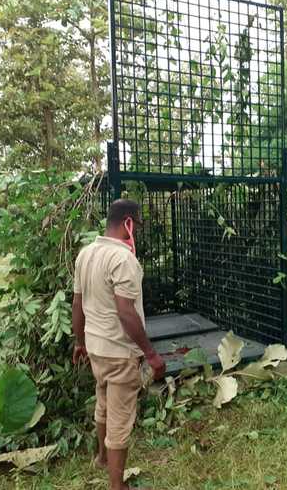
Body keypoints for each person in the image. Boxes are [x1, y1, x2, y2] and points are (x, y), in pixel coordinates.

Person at [72, 199, 166, 490]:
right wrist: (151, 355)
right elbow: (126, 311)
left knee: (102, 403)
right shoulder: (124, 259)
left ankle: (102, 458)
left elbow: (77, 303)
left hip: (96, 348)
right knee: (120, 420)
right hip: (120, 352)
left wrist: (80, 341)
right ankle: (117, 485)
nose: (136, 230)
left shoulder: (86, 254)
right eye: (136, 224)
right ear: (128, 222)